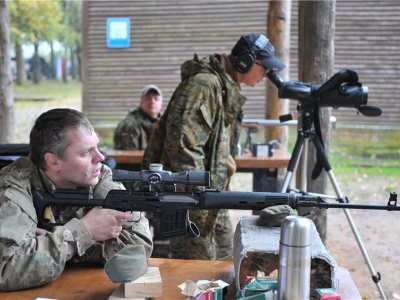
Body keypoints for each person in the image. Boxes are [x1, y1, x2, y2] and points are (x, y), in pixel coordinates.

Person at [142, 33, 285, 260]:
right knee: (195, 275)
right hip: (194, 201)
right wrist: (199, 198)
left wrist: (219, 186)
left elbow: (217, 146)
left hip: (211, 198)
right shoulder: (204, 84)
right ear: (245, 61)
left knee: (229, 262)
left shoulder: (223, 87)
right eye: (265, 68)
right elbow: (183, 146)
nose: (266, 75)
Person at [0, 108, 153, 291]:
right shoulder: (13, 187)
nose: (101, 157)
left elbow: (139, 247)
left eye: (97, 146)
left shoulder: (98, 176)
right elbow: (7, 270)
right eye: (86, 152)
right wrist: (84, 232)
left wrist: (52, 243)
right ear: (53, 161)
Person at [113, 84, 163, 150]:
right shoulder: (130, 124)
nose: (152, 102)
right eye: (148, 99)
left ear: (161, 105)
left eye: (156, 99)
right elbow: (128, 157)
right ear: (141, 103)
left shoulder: (165, 123)